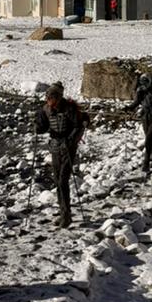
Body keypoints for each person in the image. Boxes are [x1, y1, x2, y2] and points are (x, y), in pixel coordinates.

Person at [34, 82, 90, 227]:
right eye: (48, 97)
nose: (49, 99)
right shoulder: (46, 109)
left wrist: (70, 140)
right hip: (55, 148)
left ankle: (66, 216)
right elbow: (44, 127)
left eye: (51, 97)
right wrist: (38, 125)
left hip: (68, 148)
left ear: (58, 97)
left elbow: (78, 126)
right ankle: (64, 212)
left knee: (63, 180)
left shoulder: (69, 108)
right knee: (58, 180)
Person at [127, 73, 152, 176]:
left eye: (145, 82)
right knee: (149, 139)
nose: (144, 84)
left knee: (149, 137)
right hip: (145, 116)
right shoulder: (140, 91)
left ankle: (146, 162)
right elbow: (136, 102)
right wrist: (128, 108)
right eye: (142, 82)